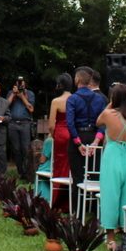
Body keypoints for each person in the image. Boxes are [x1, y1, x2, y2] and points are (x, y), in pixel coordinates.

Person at [90, 83, 126, 251]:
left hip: (112, 156)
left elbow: (97, 121)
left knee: (110, 194)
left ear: (114, 99)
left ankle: (111, 238)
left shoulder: (108, 114)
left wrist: (109, 105)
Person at [65, 67, 106, 192]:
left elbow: (70, 123)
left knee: (77, 175)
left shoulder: (72, 99)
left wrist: (78, 143)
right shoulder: (100, 99)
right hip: (93, 136)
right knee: (95, 174)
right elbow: (103, 123)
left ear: (77, 80)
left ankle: (78, 208)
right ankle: (93, 207)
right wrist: (96, 142)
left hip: (78, 135)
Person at [48, 73, 73, 210]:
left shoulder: (56, 101)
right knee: (70, 165)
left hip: (61, 134)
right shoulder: (75, 99)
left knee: (59, 165)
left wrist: (53, 134)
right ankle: (69, 201)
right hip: (72, 133)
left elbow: (52, 124)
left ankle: (57, 200)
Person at [33, 136, 52, 201]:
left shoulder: (50, 141)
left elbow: (43, 160)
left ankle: (42, 198)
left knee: (40, 170)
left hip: (48, 168)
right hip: (62, 168)